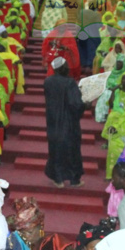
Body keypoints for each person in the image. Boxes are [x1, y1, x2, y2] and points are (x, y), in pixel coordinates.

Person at [44, 56, 87, 187]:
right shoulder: (70, 83)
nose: (68, 68)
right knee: (72, 151)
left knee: (55, 150)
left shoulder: (47, 82)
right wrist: (85, 104)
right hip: (69, 123)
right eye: (66, 66)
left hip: (52, 122)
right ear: (61, 68)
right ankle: (74, 180)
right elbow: (75, 104)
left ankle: (58, 179)